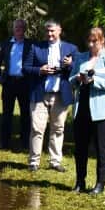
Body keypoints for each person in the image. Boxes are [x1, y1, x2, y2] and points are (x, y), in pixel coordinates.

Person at [69, 27, 105, 193]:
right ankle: (80, 182)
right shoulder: (81, 58)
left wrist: (94, 81)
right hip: (81, 108)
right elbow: (71, 78)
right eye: (89, 41)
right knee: (80, 148)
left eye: (95, 41)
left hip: (102, 112)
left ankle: (100, 183)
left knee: (102, 149)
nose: (91, 45)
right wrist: (77, 79)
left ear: (102, 40)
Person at [25, 20, 79, 172]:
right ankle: (34, 161)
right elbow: (26, 68)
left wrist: (71, 65)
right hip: (39, 94)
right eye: (48, 31)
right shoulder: (36, 47)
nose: (50, 34)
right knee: (37, 128)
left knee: (58, 128)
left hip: (61, 94)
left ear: (59, 30)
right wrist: (39, 70)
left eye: (53, 31)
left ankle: (55, 161)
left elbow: (79, 69)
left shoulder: (71, 48)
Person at [0, 19, 32, 151]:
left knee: (25, 115)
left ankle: (25, 143)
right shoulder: (7, 44)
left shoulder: (30, 44)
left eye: (21, 28)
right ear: (13, 30)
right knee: (6, 115)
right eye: (17, 28)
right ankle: (5, 143)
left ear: (25, 30)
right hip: (9, 83)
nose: (19, 31)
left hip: (24, 83)